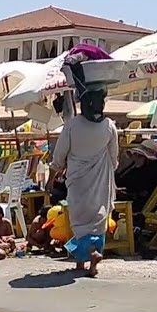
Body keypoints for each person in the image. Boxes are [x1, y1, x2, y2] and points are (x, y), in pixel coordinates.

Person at [50, 87, 118, 277]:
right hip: (101, 179)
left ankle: (89, 254)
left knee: (79, 222)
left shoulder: (72, 125)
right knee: (98, 220)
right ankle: (87, 264)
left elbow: (60, 153)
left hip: (78, 180)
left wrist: (57, 168)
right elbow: (114, 157)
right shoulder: (109, 125)